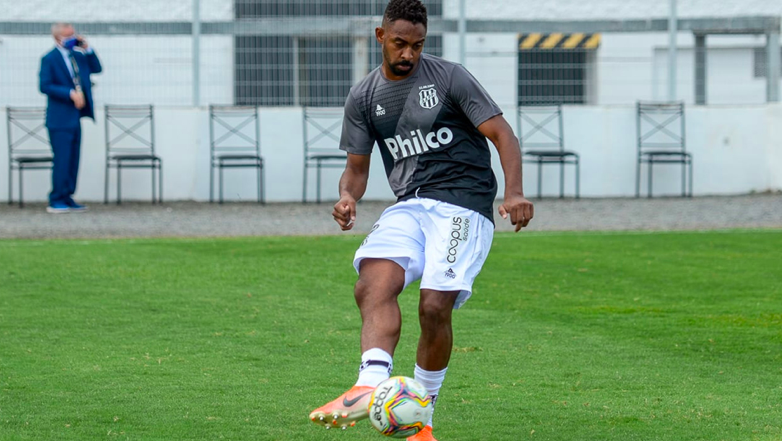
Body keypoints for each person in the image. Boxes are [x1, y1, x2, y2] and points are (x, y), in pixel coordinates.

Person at [308, 0, 534, 439]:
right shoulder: (364, 95)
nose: (408, 53)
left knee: (434, 306)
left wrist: (515, 192)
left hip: (463, 203)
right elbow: (357, 167)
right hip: (410, 203)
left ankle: (421, 418)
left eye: (417, 45)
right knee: (372, 281)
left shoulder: (450, 77)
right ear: (381, 37)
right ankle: (368, 386)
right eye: (399, 43)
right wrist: (346, 197)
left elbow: (502, 133)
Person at [39, 23, 102, 213]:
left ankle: (68, 195)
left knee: (74, 159)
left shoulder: (78, 56)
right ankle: (56, 198)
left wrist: (87, 48)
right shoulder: (49, 59)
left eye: (73, 35)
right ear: (58, 38)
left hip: (75, 117)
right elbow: (45, 85)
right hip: (59, 119)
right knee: (62, 159)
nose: (72, 39)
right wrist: (69, 93)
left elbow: (97, 68)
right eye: (68, 36)